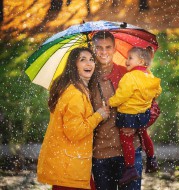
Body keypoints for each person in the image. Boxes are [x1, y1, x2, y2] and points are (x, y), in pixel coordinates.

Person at [37, 47, 110, 190]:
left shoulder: (77, 90)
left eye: (91, 60)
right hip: (70, 169)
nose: (89, 64)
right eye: (83, 60)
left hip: (71, 166)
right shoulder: (75, 94)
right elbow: (75, 132)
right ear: (74, 65)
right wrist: (98, 116)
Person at [90, 31, 143, 190]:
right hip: (100, 154)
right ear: (93, 49)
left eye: (108, 47)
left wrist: (135, 124)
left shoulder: (129, 74)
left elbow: (151, 108)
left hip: (129, 152)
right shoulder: (87, 77)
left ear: (114, 49)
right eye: (99, 48)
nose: (104, 52)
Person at [108, 46, 162, 185]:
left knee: (126, 140)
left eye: (130, 58)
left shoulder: (129, 77)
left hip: (129, 114)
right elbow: (157, 90)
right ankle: (151, 159)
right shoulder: (149, 75)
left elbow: (122, 95)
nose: (126, 61)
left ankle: (130, 168)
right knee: (144, 135)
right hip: (143, 114)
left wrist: (110, 102)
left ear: (141, 61)